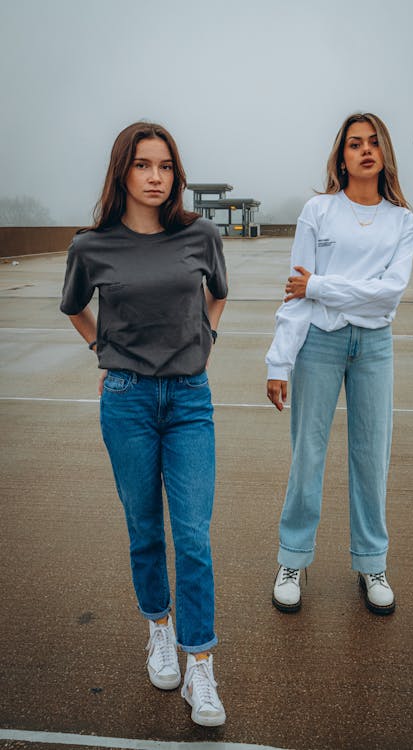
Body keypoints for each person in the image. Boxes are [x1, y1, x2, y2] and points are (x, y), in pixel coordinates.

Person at [60, 121, 228, 726]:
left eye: (164, 166)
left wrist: (205, 340)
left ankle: (200, 665)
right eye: (142, 165)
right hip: (126, 400)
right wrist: (102, 352)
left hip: (189, 401)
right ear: (122, 173)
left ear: (175, 174)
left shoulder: (200, 235)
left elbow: (218, 293)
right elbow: (75, 307)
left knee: (193, 535)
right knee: (144, 528)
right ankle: (159, 627)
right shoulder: (92, 247)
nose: (155, 177)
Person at [266, 112, 413, 616]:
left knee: (371, 457)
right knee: (307, 454)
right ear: (342, 156)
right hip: (320, 345)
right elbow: (296, 294)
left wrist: (321, 286)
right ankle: (293, 561)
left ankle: (371, 563)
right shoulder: (318, 211)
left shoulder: (402, 222)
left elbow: (388, 296)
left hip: (375, 348)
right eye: (355, 144)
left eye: (374, 143)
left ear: (385, 153)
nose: (365, 151)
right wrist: (278, 361)